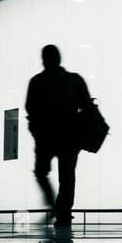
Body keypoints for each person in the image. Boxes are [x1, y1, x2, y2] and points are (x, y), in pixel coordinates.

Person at [24, 44, 90, 226]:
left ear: (44, 60)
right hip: (70, 136)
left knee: (41, 172)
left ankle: (54, 205)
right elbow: (87, 107)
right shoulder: (74, 80)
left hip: (45, 137)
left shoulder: (36, 82)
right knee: (67, 177)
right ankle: (63, 214)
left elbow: (30, 109)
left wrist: (37, 131)